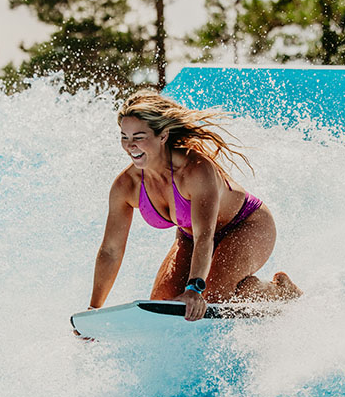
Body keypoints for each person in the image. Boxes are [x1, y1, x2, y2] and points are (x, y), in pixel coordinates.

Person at [88, 90, 301, 321]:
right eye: (124, 137)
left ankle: (279, 292)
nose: (130, 146)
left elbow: (205, 235)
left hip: (245, 225)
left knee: (215, 296)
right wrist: (93, 309)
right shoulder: (126, 186)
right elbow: (110, 250)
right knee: (164, 307)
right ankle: (240, 288)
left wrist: (194, 289)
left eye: (139, 137)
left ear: (163, 135)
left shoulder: (195, 170)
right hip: (191, 237)